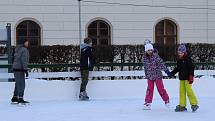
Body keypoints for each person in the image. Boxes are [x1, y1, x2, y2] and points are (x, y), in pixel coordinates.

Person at [143, 41, 172, 110]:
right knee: (149, 89)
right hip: (150, 77)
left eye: (151, 50)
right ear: (146, 51)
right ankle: (148, 103)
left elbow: (161, 64)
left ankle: (166, 100)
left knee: (160, 89)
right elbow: (145, 67)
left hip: (157, 76)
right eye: (148, 50)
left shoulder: (156, 57)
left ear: (152, 50)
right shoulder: (144, 58)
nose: (150, 51)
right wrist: (146, 74)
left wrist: (166, 71)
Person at [171, 44, 199, 112]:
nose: (180, 54)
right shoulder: (179, 60)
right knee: (182, 92)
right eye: (179, 53)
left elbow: (191, 68)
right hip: (181, 79)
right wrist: (172, 73)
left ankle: (194, 104)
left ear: (184, 52)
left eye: (181, 53)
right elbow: (178, 68)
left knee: (189, 91)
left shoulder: (188, 59)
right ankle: (182, 105)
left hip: (187, 79)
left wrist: (191, 76)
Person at [11, 39, 30, 104]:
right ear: (23, 43)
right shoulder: (24, 50)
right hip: (20, 68)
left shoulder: (17, 49)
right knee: (21, 83)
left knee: (17, 83)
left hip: (15, 68)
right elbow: (24, 60)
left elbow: (13, 58)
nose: (28, 44)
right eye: (27, 42)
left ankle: (15, 97)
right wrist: (25, 69)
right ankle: (20, 98)